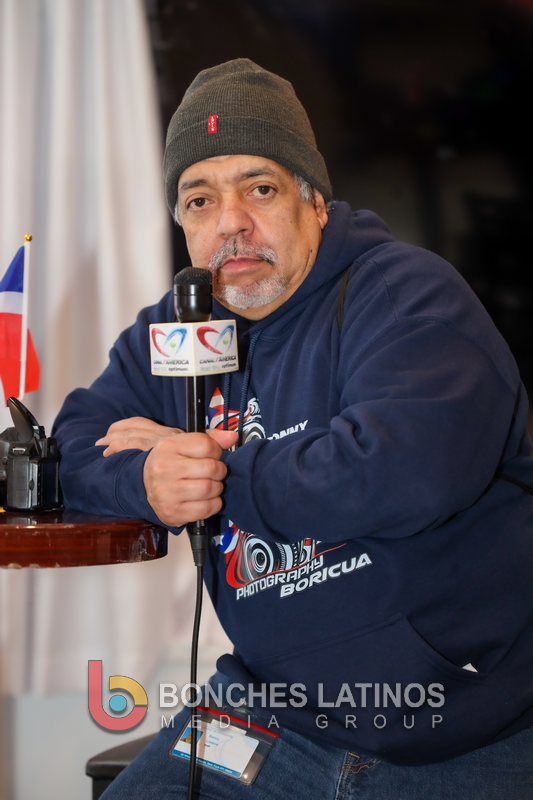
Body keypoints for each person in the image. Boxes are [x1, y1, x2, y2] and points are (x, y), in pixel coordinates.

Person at [53, 59, 533, 799]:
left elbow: (400, 473)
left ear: (315, 202)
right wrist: (144, 477)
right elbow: (70, 444)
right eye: (200, 200)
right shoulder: (184, 330)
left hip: (468, 729)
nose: (230, 224)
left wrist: (213, 475)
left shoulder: (406, 294)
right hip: (268, 718)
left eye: (260, 189)